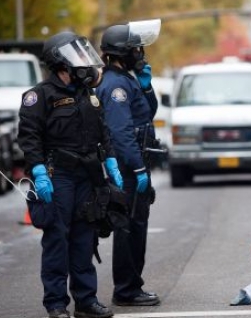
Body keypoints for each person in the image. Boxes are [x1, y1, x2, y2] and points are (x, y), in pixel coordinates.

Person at [18, 31, 124, 318]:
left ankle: (86, 301)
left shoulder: (87, 95)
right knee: (57, 239)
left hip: (87, 177)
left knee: (84, 239)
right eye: (76, 55)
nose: (85, 63)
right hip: (57, 176)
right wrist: (38, 171)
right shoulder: (38, 96)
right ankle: (56, 304)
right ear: (61, 62)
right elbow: (29, 138)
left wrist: (111, 162)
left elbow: (103, 133)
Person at [95, 19, 162, 307]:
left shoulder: (126, 79)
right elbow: (122, 133)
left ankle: (131, 285)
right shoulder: (115, 86)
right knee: (129, 229)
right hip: (127, 168)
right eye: (136, 49)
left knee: (137, 226)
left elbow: (146, 114)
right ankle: (126, 289)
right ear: (123, 52)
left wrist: (147, 88)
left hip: (135, 164)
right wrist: (136, 168)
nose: (141, 53)